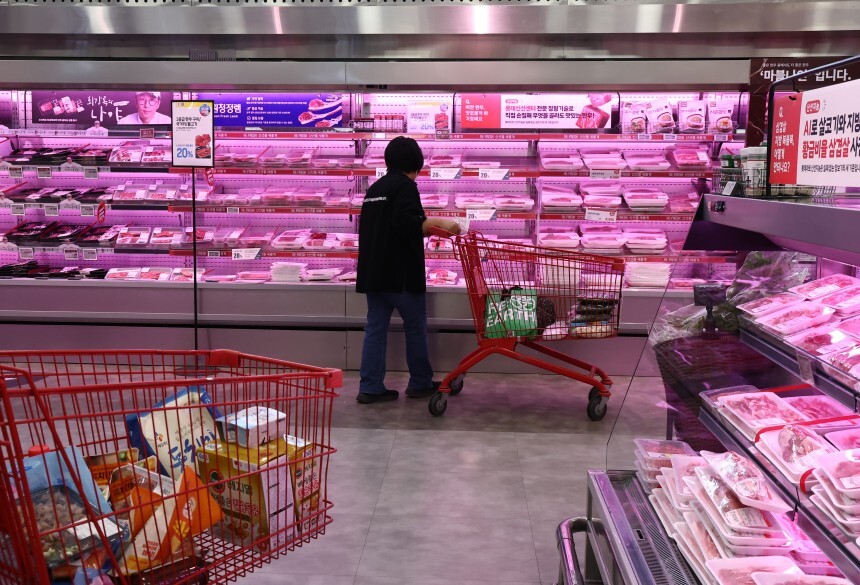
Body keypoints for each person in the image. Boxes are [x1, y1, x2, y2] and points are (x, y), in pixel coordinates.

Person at [355, 137, 461, 404]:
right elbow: (407, 223)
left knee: (375, 329)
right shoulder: (405, 186)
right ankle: (420, 382)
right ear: (416, 163)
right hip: (400, 273)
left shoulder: (375, 188)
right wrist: (441, 223)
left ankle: (370, 387)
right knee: (414, 327)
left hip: (374, 272)